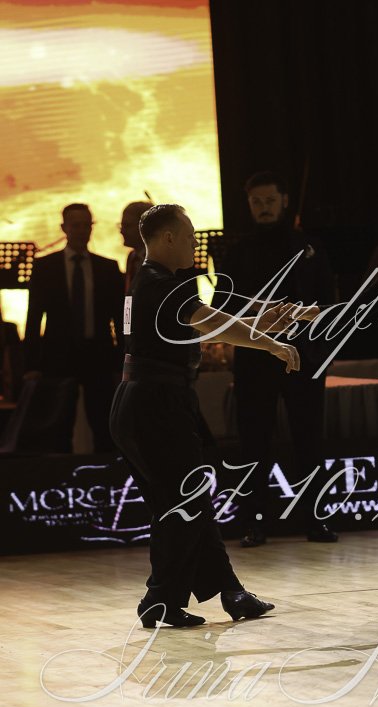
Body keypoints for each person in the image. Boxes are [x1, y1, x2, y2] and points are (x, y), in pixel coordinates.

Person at [109, 203, 302, 628]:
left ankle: (231, 592)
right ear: (168, 238)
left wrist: (263, 323)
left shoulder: (147, 280)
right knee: (184, 504)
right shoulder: (165, 284)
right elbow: (214, 324)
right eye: (190, 236)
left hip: (141, 402)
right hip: (157, 405)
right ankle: (159, 599)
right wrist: (270, 343)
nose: (195, 244)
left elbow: (208, 322)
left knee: (186, 501)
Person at [212, 170, 337, 547]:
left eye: (269, 200)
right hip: (254, 359)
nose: (263, 208)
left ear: (284, 201)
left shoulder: (310, 246)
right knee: (253, 442)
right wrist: (257, 312)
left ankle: (316, 520)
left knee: (309, 440)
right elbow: (221, 306)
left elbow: (329, 305)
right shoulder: (238, 251)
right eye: (256, 202)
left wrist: (319, 352)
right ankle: (253, 522)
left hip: (305, 357)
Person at [24, 203, 124, 452]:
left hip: (98, 354)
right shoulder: (45, 267)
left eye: (86, 225)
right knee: (58, 425)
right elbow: (34, 317)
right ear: (64, 228)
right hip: (58, 356)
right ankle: (62, 474)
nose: (82, 230)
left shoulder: (108, 268)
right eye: (76, 225)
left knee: (103, 424)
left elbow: (120, 318)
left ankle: (106, 472)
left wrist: (122, 359)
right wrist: (32, 364)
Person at [118, 200, 154, 292]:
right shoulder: (132, 257)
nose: (121, 231)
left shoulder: (163, 259)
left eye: (127, 226)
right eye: (121, 226)